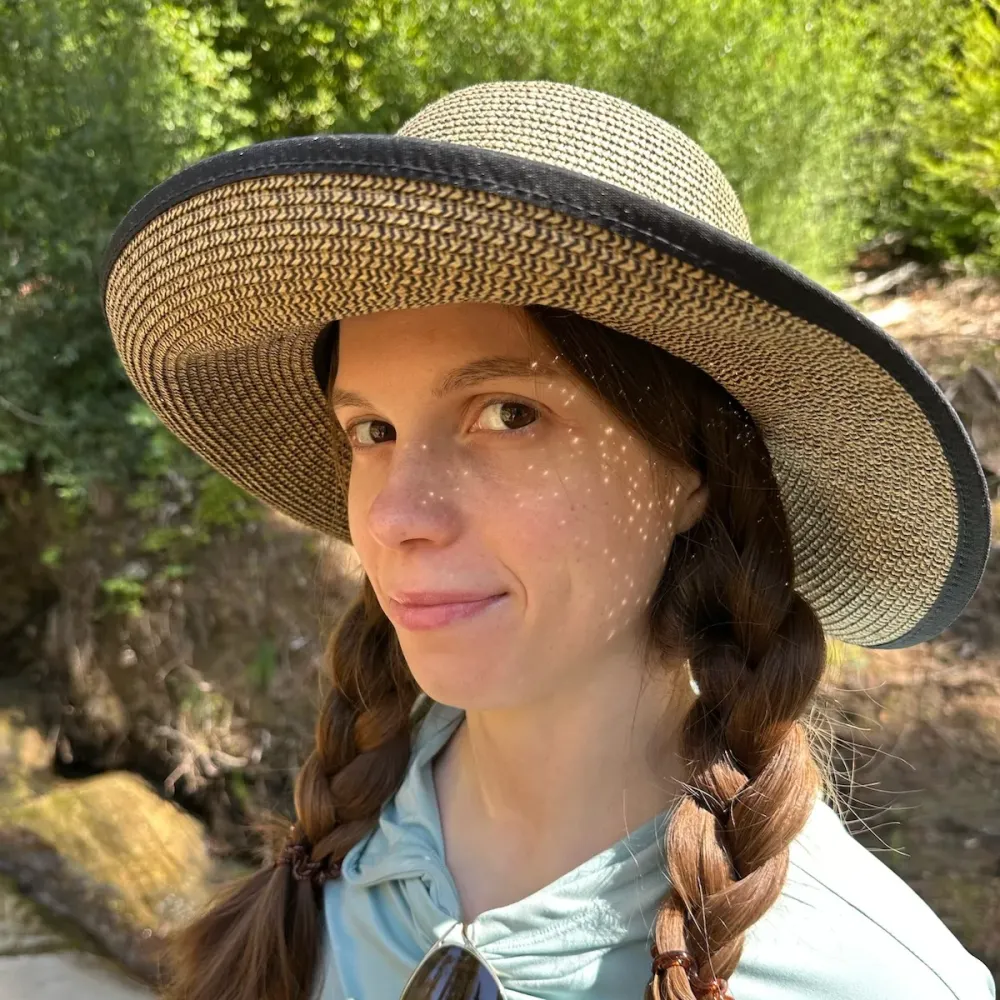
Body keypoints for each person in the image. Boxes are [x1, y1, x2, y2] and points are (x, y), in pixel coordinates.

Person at [99, 80, 996, 1000]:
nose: (396, 516)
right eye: (372, 431)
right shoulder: (339, 852)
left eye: (508, 413)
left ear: (692, 471)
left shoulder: (873, 979)